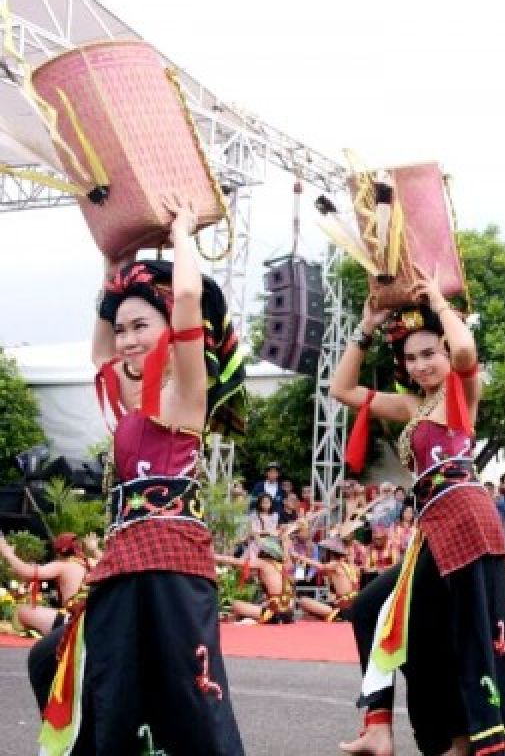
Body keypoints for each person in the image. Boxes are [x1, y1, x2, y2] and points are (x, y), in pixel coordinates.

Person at [27, 201, 246, 754]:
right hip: (127, 565)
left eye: (140, 326)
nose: (125, 339)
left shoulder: (184, 397)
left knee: (191, 696)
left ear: (172, 330)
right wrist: (113, 269)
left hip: (171, 565)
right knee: (57, 662)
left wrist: (181, 234)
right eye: (121, 327)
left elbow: (190, 299)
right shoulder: (129, 405)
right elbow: (100, 349)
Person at [331, 269, 505, 756]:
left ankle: (461, 740)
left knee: (451, 634)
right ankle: (383, 726)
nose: (420, 365)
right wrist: (366, 326)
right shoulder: (411, 407)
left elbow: (465, 353)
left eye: (428, 354)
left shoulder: (460, 394)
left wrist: (437, 299)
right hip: (432, 528)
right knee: (376, 611)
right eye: (411, 358)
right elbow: (343, 390)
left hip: (467, 519)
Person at [0, 532, 91, 636]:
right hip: (91, 619)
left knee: (22, 611)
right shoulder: (90, 563)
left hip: (72, 621)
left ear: (59, 552)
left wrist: (8, 554)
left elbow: (29, 572)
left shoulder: (63, 565)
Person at [215, 535, 296, 624]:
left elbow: (236, 561)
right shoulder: (282, 565)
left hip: (276, 613)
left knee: (235, 604)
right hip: (288, 613)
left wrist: (213, 556)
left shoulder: (264, 563)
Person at [293, 536, 362, 622]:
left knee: (302, 600)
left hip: (342, 610)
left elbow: (321, 567)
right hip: (351, 608)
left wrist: (300, 557)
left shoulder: (336, 564)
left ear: (330, 553)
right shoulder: (350, 566)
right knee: (309, 615)